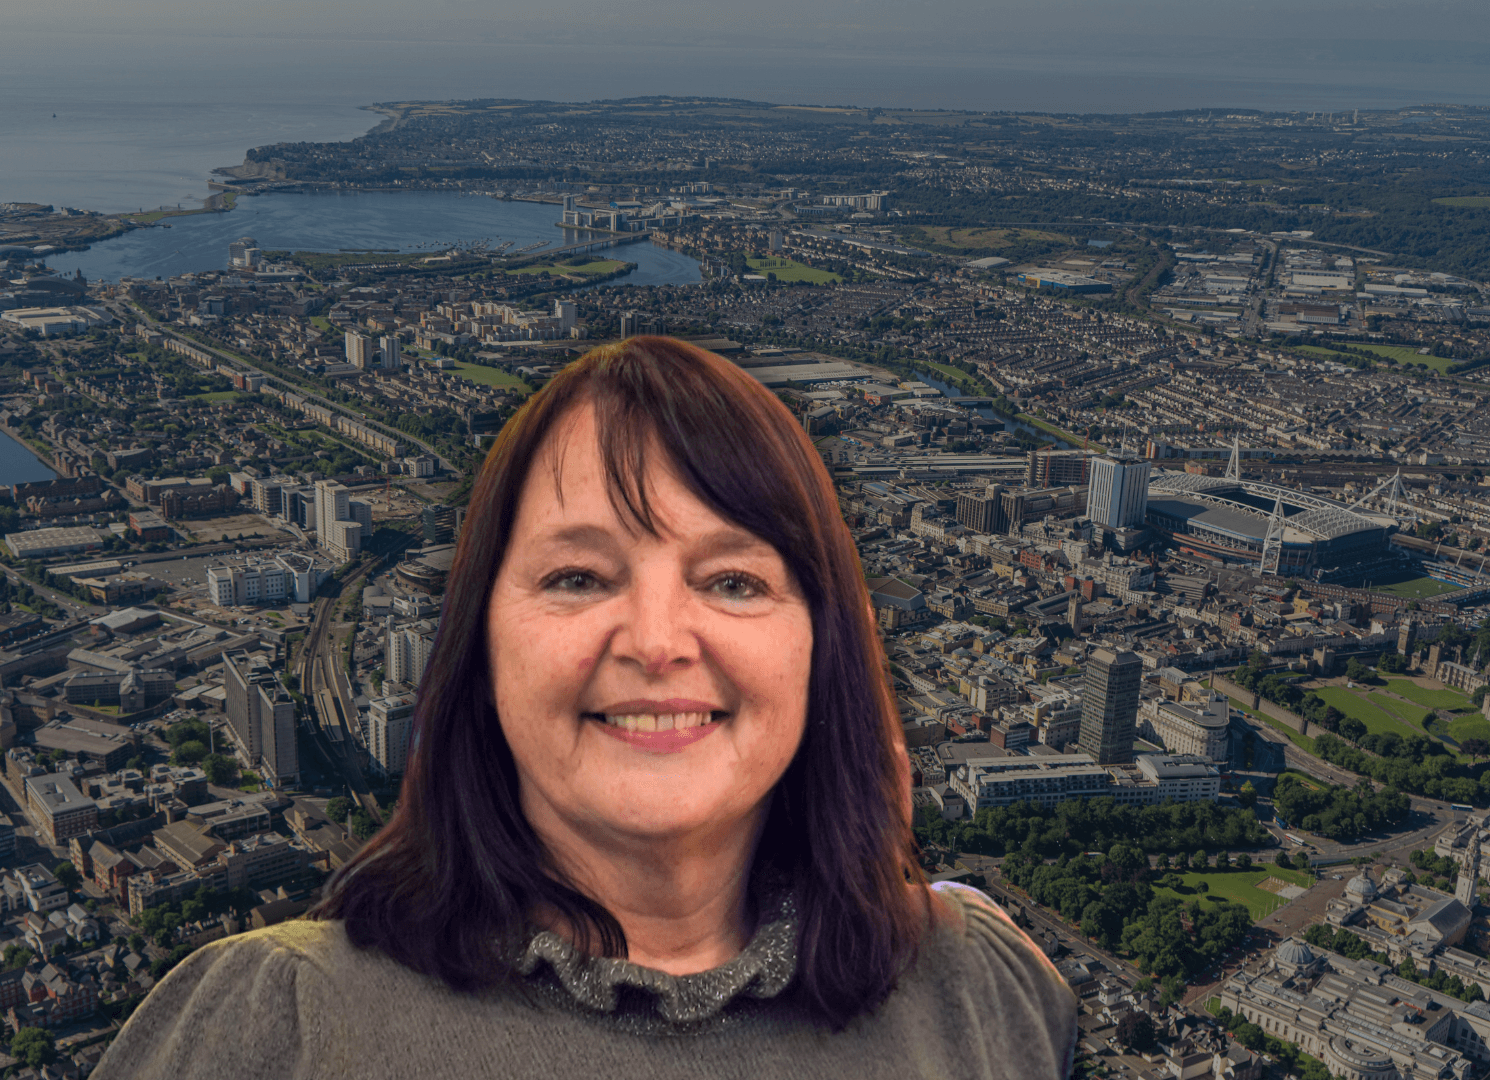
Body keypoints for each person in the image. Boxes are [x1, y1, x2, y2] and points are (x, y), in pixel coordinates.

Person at [95, 337, 1076, 1079]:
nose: (656, 641)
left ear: (823, 651)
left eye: (733, 581)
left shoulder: (984, 995)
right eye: (576, 576)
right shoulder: (282, 1024)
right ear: (481, 651)